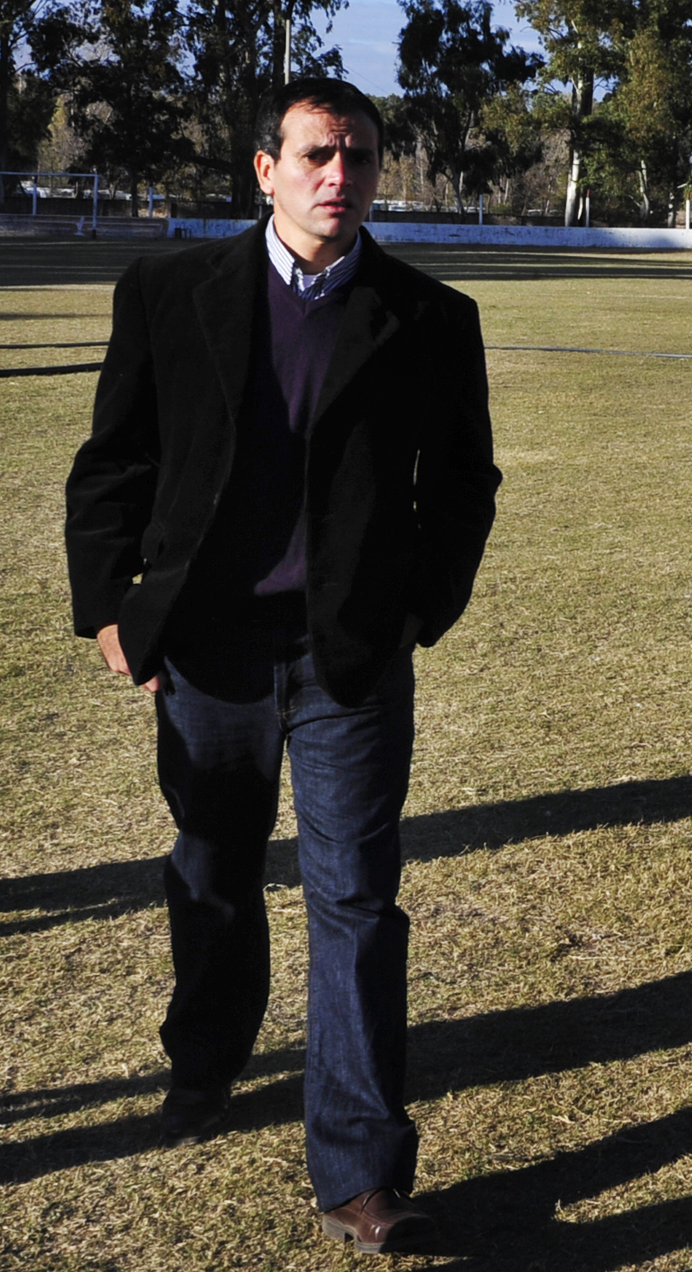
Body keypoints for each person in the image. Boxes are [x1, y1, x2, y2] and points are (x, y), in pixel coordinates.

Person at [64, 76, 500, 1253]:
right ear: (265, 168)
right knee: (211, 870)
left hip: (348, 656)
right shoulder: (170, 291)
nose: (338, 175)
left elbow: (465, 483)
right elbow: (115, 463)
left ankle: (361, 1167)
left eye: (358, 156)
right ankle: (204, 1060)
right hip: (207, 649)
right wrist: (109, 610)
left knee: (354, 896)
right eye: (316, 152)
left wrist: (419, 610)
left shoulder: (428, 316)